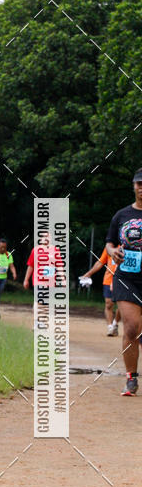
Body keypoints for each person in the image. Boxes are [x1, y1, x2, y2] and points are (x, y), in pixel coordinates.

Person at [105, 168, 142, 395]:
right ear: (133, 186)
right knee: (131, 327)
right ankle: (131, 378)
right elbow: (109, 243)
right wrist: (113, 252)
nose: (141, 188)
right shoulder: (121, 215)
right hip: (127, 277)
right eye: (138, 184)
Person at [78, 246, 121, 336]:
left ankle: (115, 323)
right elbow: (100, 262)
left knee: (121, 305)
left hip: (122, 280)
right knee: (108, 304)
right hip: (108, 279)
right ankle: (110, 327)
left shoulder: (126, 246)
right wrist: (88, 274)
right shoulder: (109, 248)